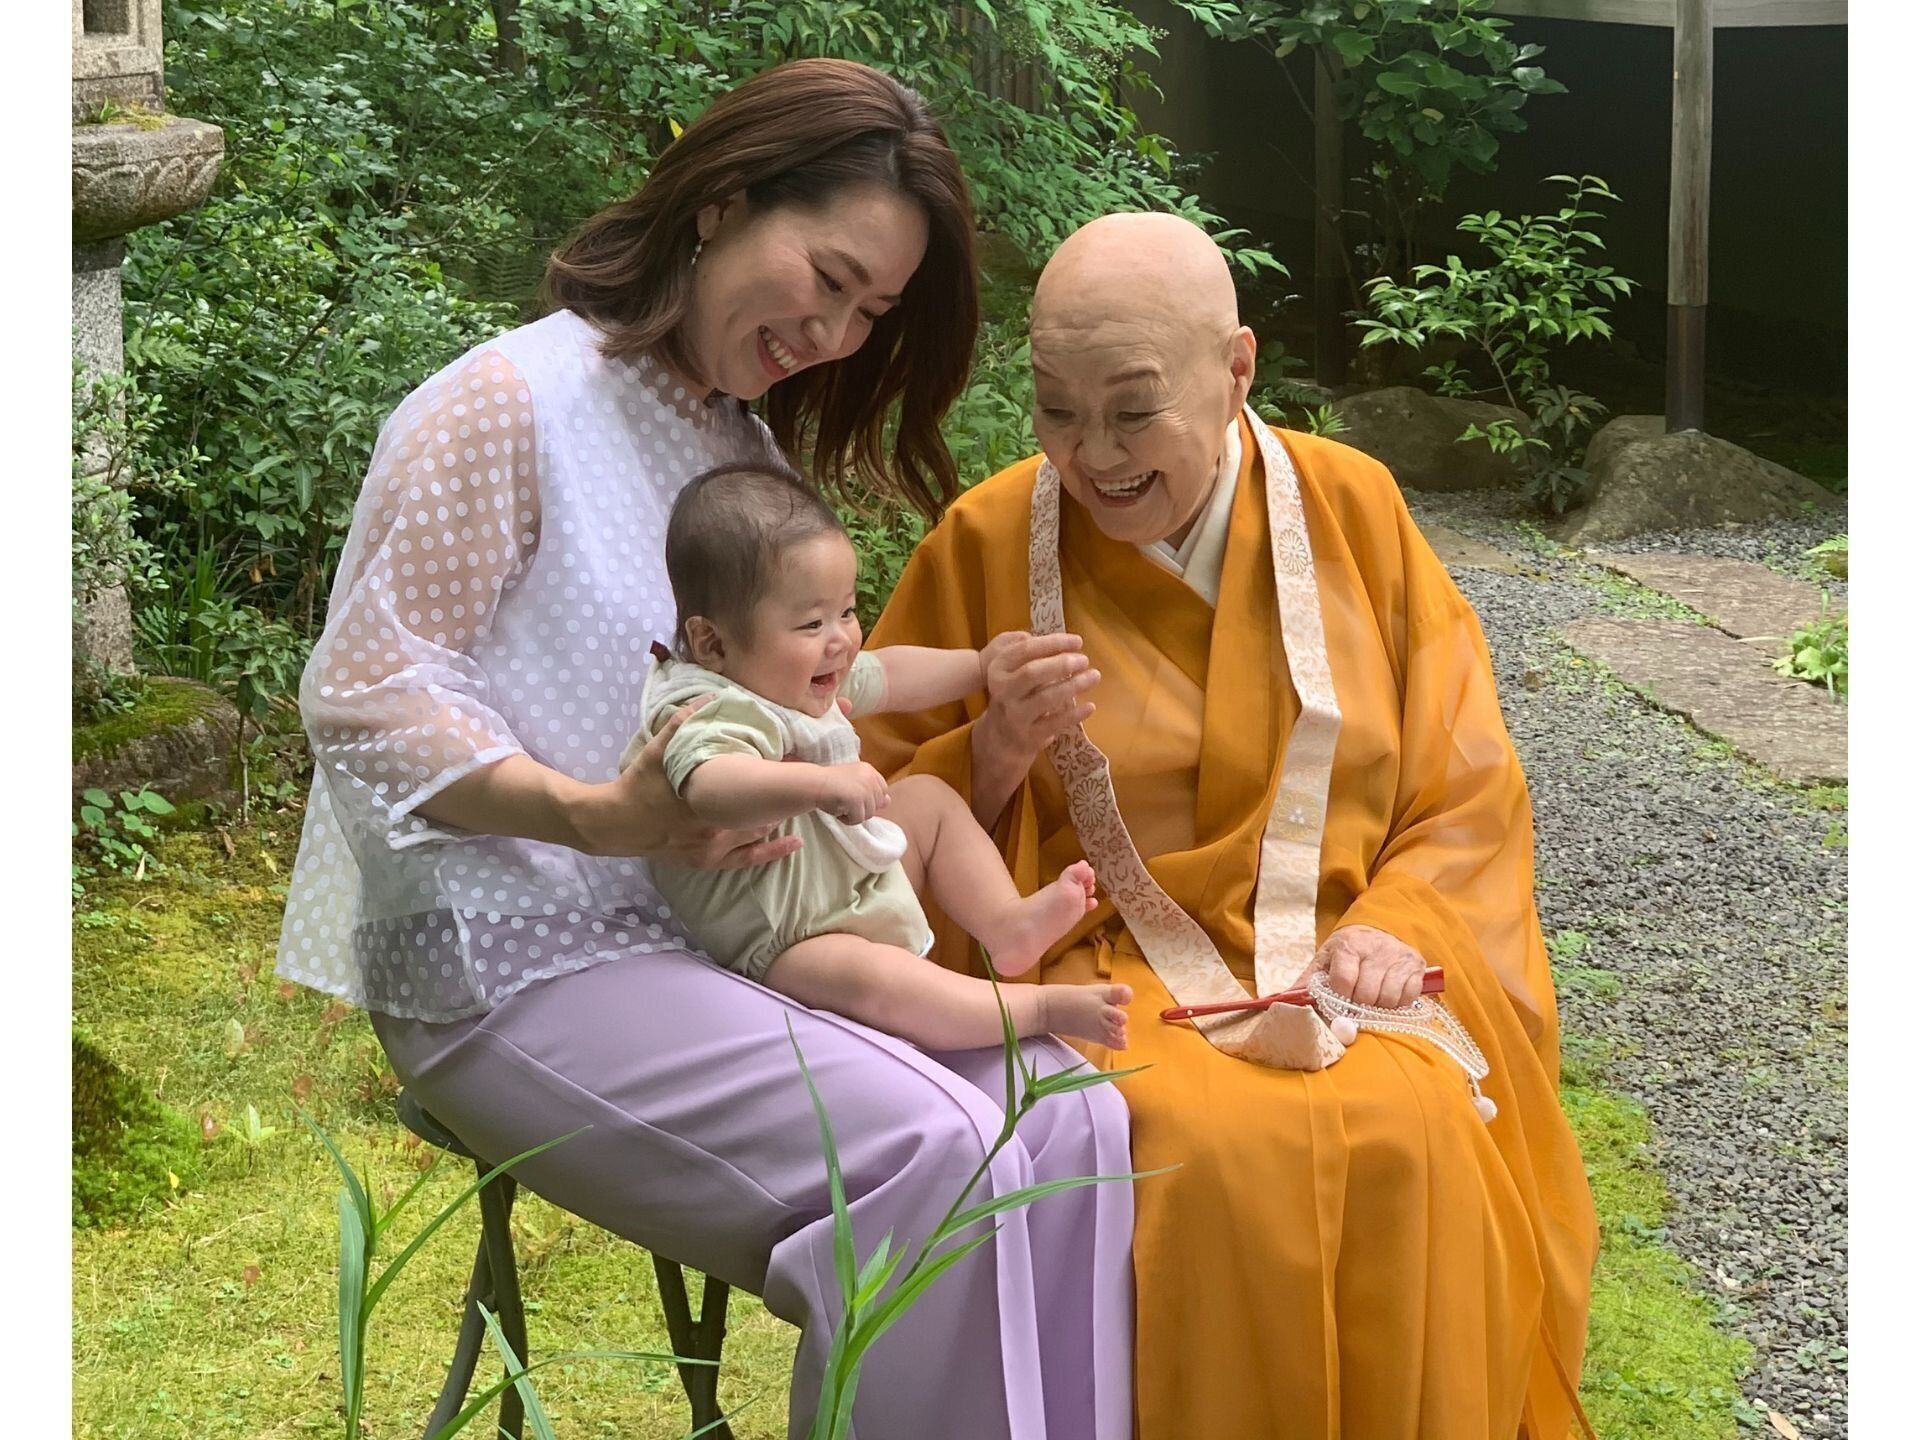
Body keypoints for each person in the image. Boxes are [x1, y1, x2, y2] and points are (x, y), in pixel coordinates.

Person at [275, 59, 1134, 1440]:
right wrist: (595, 813)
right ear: (723, 201)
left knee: (1071, 1114)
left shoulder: (746, 460)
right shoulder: (506, 402)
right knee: (939, 1153)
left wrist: (990, 725)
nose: (835, 333)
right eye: (830, 277)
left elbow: (818, 724)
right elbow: (370, 690)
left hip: (724, 941)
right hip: (514, 962)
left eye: (872, 311)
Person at [859, 211, 1600, 1439]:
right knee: (1195, 1146)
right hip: (1100, 967)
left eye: (1134, 411)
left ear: (1236, 370)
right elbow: (871, 825)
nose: (1092, 456)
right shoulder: (986, 540)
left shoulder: (1354, 509)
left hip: (1350, 955)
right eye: (1056, 411)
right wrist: (993, 750)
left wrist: (1400, 925)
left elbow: (1465, 785)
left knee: (1417, 1129)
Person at [624, 461, 1128, 1051]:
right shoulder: (708, 704)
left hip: (850, 878)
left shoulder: (797, 671)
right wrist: (819, 785)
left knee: (929, 800)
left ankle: (1007, 924)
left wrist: (980, 667)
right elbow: (709, 785)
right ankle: (1036, 1008)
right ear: (712, 642)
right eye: (811, 622)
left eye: (846, 611)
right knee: (877, 980)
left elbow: (888, 674)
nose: (841, 637)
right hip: (786, 941)